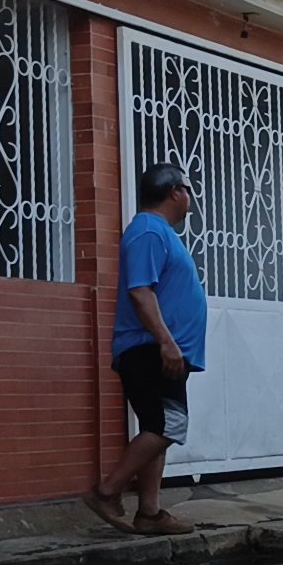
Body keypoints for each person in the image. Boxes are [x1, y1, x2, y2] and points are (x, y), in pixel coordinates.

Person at [83, 163, 208, 535]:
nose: (189, 201)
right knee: (166, 425)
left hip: (162, 352)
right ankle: (107, 491)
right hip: (150, 350)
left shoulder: (159, 233)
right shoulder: (148, 231)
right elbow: (140, 291)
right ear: (175, 192)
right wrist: (167, 343)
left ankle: (150, 513)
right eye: (187, 192)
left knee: (160, 427)